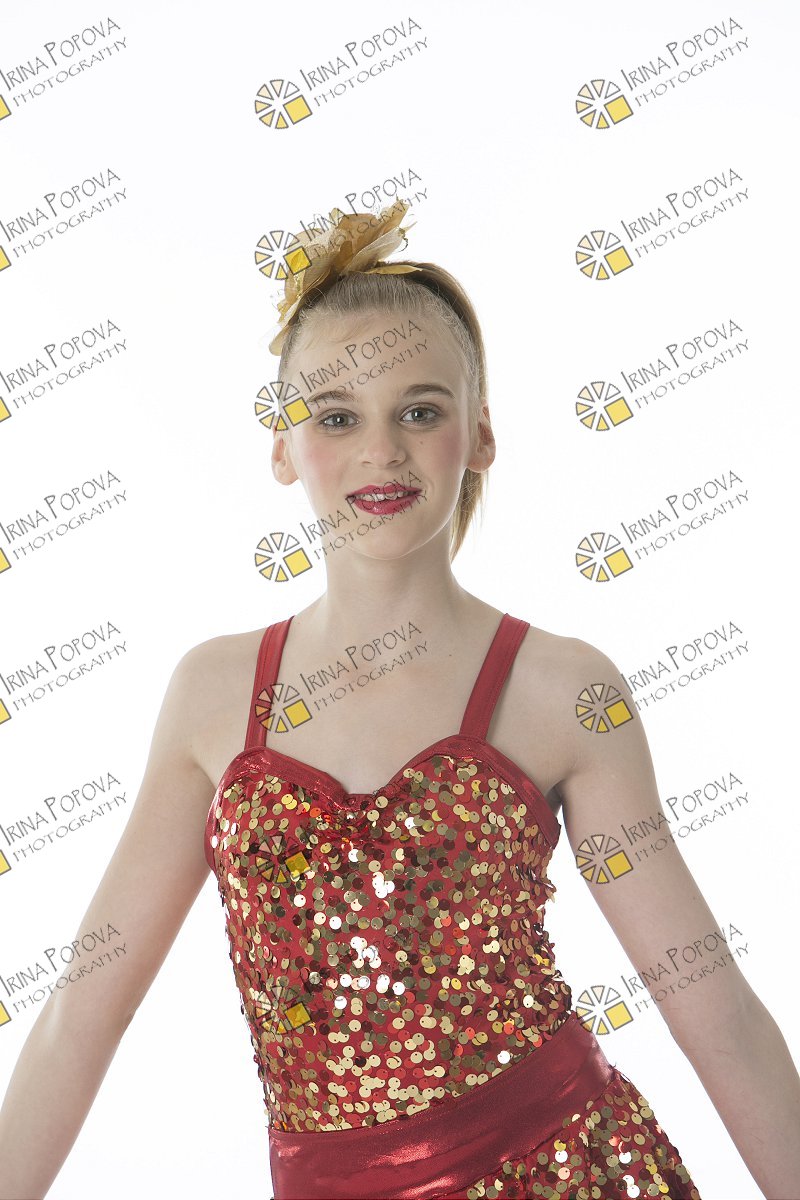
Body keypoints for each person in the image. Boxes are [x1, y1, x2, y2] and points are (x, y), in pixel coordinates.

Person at [0, 199, 798, 1200]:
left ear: (480, 433)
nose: (381, 451)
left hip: (563, 1169)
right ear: (283, 448)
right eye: (337, 417)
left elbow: (709, 1003)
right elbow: (83, 1016)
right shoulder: (214, 694)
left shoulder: (563, 689)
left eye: (419, 411)